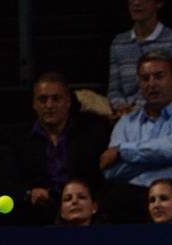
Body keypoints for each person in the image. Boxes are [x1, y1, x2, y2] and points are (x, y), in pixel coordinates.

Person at [100, 50, 172, 223]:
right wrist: (166, 158)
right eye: (145, 78)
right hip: (130, 197)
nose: (151, 84)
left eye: (159, 76)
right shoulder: (126, 122)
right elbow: (112, 171)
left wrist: (123, 151)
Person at [10, 71, 110, 225]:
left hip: (84, 211)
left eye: (56, 99)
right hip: (38, 212)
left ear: (68, 102)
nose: (49, 105)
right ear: (34, 104)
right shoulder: (20, 140)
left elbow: (100, 179)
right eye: (43, 99)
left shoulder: (91, 134)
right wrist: (29, 193)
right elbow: (6, 181)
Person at [108, 0, 172, 116]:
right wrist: (121, 107)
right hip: (126, 115)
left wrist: (139, 110)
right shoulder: (119, 42)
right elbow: (114, 90)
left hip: (162, 112)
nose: (136, 3)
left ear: (158, 3)